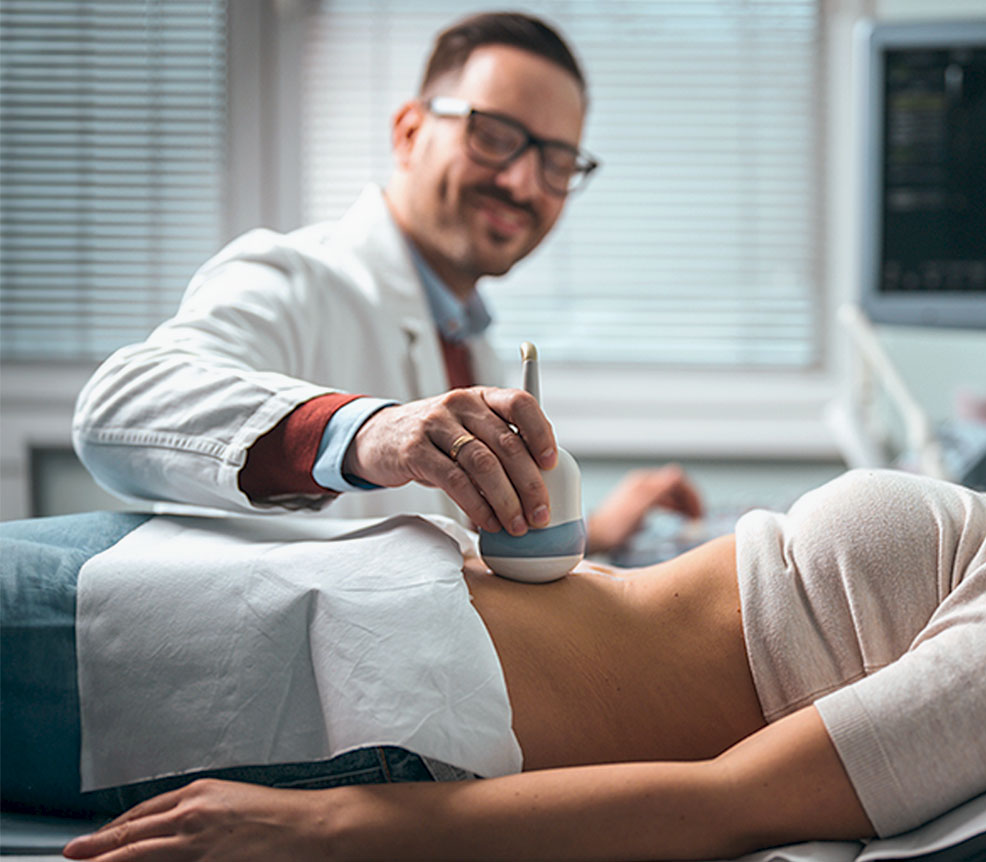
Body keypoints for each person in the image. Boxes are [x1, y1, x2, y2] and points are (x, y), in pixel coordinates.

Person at [15, 304, 986, 860]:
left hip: (327, 665)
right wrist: (546, 531)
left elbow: (739, 799)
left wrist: (338, 825)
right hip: (340, 599)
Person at [69, 11, 700, 554]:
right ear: (409, 132)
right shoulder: (297, 276)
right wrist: (372, 434)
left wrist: (593, 530)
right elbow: (119, 408)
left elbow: (447, 545)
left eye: (557, 162)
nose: (523, 184)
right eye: (495, 136)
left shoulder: (466, 338)